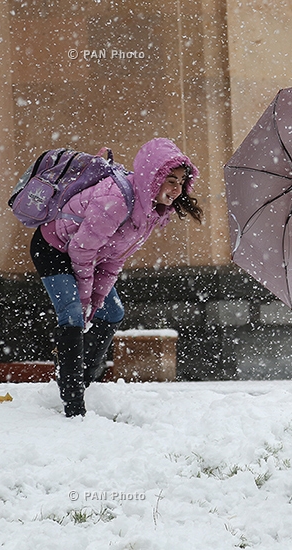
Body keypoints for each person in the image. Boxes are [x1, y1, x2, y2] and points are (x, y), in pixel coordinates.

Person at [30, 138, 203, 417]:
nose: (177, 189)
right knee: (73, 314)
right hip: (54, 247)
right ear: (153, 177)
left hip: (87, 254)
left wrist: (97, 301)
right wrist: (86, 299)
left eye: (182, 182)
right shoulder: (116, 200)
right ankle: (74, 407)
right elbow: (82, 250)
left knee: (111, 311)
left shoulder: (147, 213)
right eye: (171, 180)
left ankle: (80, 380)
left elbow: (114, 260)